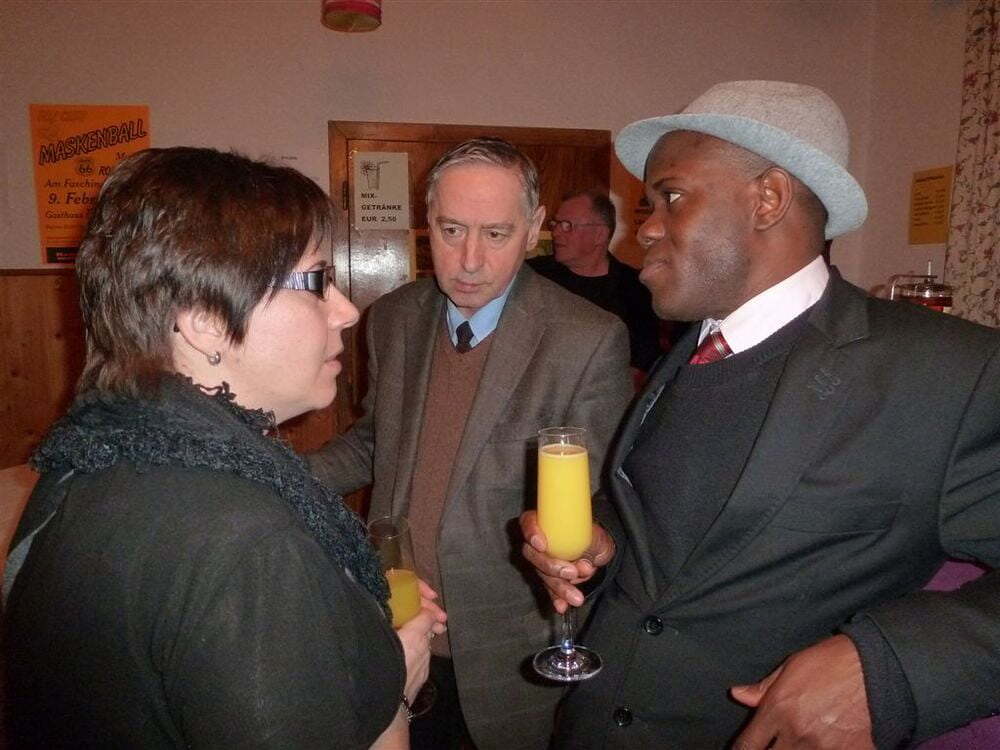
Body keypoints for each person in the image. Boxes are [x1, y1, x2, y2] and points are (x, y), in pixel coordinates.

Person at [521, 80, 1000, 748]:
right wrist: (602, 542)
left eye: (671, 197)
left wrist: (889, 669)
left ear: (768, 198)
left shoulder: (949, 372)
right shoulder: (693, 349)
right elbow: (671, 523)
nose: (645, 229)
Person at [3, 147, 446, 749]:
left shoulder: (89, 456)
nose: (345, 311)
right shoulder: (248, 539)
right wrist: (392, 686)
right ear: (206, 319)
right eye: (317, 281)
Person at [309, 138, 633, 750]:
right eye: (451, 229)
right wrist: (269, 471)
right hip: (398, 623)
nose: (469, 260)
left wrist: (590, 550)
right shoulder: (394, 317)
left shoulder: (587, 339)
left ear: (534, 228)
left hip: (508, 650)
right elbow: (376, 442)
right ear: (426, 220)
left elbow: (600, 498)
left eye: (496, 234)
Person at [528, 189, 662, 372]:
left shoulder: (636, 291)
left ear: (600, 235)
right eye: (555, 224)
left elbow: (643, 364)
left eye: (567, 225)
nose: (556, 232)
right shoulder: (533, 275)